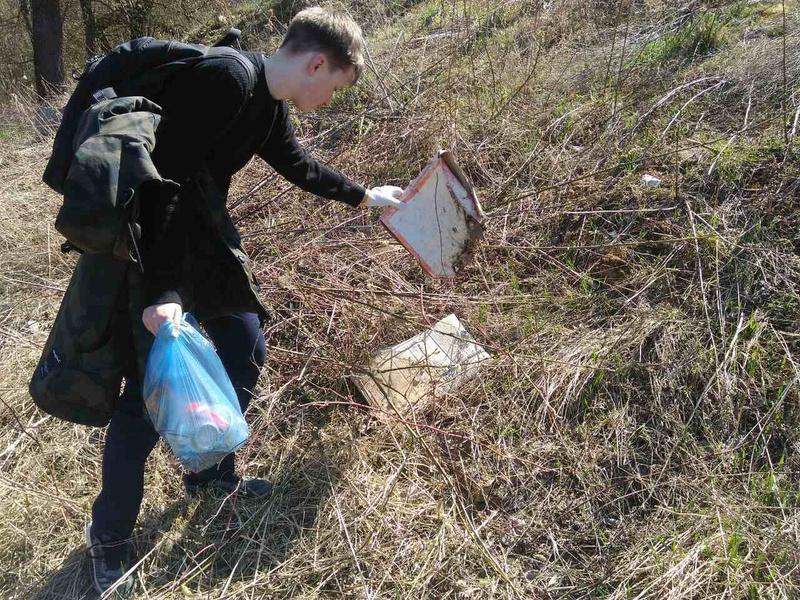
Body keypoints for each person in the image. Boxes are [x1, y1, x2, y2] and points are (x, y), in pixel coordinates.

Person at [84, 7, 404, 597]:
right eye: (334, 87)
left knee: (243, 343)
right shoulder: (227, 80)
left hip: (200, 239)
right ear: (316, 63)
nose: (329, 100)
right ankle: (109, 539)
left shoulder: (265, 104)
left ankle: (211, 474)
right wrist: (162, 295)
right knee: (146, 397)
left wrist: (365, 197)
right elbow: (162, 187)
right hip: (151, 248)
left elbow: (297, 166)